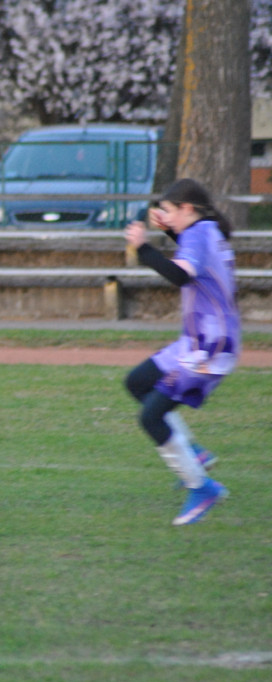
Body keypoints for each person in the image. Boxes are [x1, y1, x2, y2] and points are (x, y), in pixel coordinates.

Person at [123, 178, 238, 526]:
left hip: (209, 348)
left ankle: (201, 487)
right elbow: (194, 267)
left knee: (150, 418)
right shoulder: (204, 231)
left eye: (170, 210)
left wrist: (143, 249)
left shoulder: (200, 234)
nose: (165, 215)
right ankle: (193, 454)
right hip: (195, 341)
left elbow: (180, 276)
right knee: (137, 382)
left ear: (187, 209)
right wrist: (171, 233)